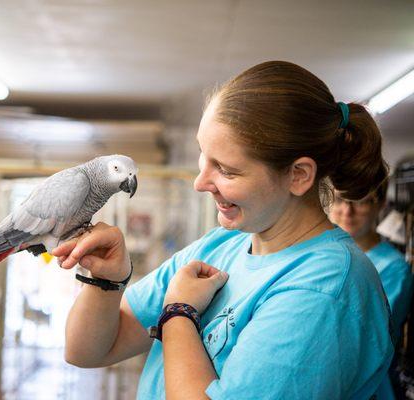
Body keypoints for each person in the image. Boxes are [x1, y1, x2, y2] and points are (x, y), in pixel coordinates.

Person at [53, 61, 394, 399]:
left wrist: (178, 314)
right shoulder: (225, 243)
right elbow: (87, 351)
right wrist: (107, 280)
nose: (201, 183)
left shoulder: (325, 287)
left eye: (227, 171)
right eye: (205, 157)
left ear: (299, 175)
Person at [330, 180, 413, 400]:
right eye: (340, 199)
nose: (347, 211)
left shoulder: (393, 268)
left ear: (381, 204)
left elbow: (362, 339)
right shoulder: (324, 257)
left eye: (360, 201)